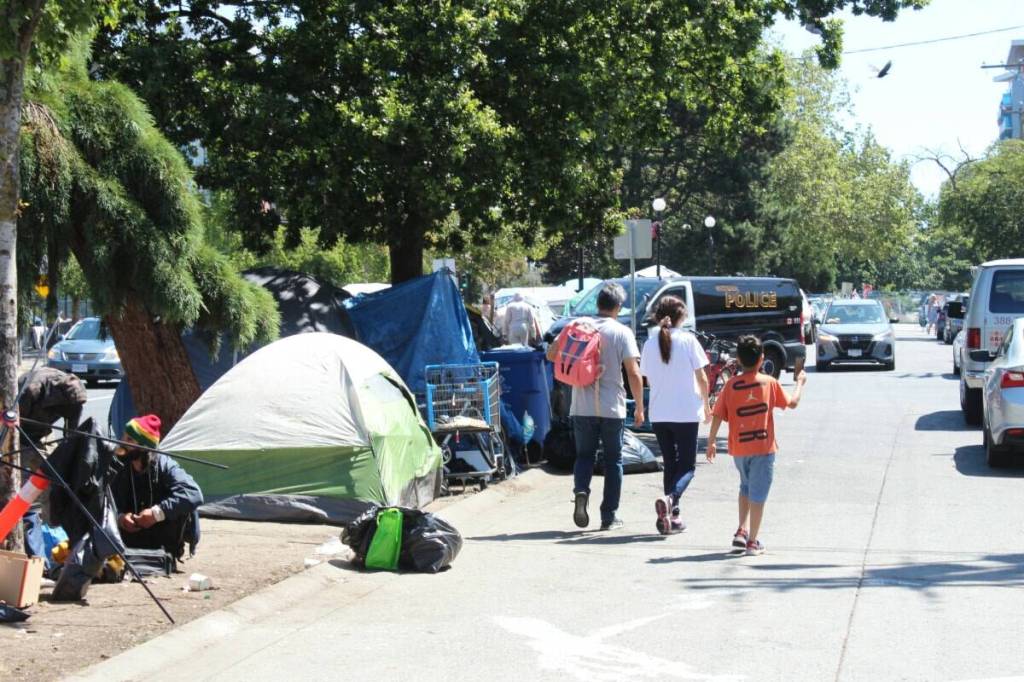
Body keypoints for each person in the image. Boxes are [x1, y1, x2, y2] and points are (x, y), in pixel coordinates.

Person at [547, 283, 644, 531]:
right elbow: (633, 372)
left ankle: (581, 491)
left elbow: (550, 355)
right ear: (618, 307)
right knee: (614, 461)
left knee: (584, 456)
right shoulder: (622, 332)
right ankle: (609, 516)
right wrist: (641, 406)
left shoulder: (578, 327)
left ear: (597, 303)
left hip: (582, 406)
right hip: (613, 407)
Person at [706, 336, 806, 555]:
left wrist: (711, 441)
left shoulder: (731, 385)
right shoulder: (769, 383)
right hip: (762, 448)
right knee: (758, 495)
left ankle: (741, 529)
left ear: (739, 360)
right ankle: (753, 541)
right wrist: (800, 382)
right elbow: (793, 403)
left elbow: (718, 414)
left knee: (745, 487)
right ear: (762, 359)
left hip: (739, 449)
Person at [639, 295, 710, 535]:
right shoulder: (689, 340)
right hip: (686, 411)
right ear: (680, 317)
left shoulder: (649, 344)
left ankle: (671, 516)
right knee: (688, 466)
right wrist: (707, 406)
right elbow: (702, 377)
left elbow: (647, 377)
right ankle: (671, 500)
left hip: (659, 413)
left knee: (670, 463)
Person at [17, 367, 88, 569]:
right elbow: (13, 422)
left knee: (55, 481)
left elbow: (71, 433)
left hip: (41, 435)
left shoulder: (75, 397)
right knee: (20, 487)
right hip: (18, 436)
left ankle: (53, 530)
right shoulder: (33, 389)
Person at [110, 415, 203, 559]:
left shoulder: (165, 466)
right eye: (124, 436)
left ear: (143, 447)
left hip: (163, 544)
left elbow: (194, 493)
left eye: (129, 439)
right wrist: (120, 518)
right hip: (127, 543)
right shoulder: (119, 467)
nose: (121, 442)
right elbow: (104, 500)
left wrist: (156, 514)